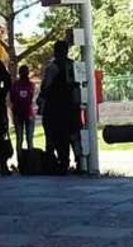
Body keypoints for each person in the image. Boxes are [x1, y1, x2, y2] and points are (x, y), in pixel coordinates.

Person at [38, 40, 79, 174]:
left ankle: (59, 163)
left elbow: (46, 87)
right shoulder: (73, 66)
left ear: (55, 52)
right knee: (72, 135)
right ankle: (78, 161)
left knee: (55, 136)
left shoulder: (52, 68)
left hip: (55, 108)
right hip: (71, 107)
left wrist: (42, 100)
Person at [9, 64, 36, 156]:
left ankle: (20, 159)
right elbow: (31, 98)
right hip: (29, 113)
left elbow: (12, 99)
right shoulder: (31, 85)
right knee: (29, 138)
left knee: (19, 139)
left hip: (18, 113)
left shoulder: (15, 85)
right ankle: (30, 160)